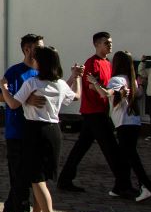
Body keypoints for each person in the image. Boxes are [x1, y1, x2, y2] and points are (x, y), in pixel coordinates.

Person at [0, 46, 82, 212]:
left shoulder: (32, 82)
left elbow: (13, 104)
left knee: (36, 179)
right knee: (42, 178)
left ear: (40, 63)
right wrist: (76, 77)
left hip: (35, 131)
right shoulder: (59, 84)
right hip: (54, 132)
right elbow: (76, 96)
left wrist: (4, 87)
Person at [57, 32, 134, 197]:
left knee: (81, 147)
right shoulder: (92, 63)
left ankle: (64, 179)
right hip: (94, 112)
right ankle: (123, 186)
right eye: (106, 43)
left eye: (110, 42)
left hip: (101, 111)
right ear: (97, 44)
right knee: (111, 149)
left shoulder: (108, 63)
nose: (110, 45)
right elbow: (93, 87)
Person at [90, 51, 151, 202]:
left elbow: (107, 94)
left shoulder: (116, 79)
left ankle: (147, 186)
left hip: (124, 123)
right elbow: (135, 94)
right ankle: (119, 186)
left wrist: (95, 83)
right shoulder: (130, 79)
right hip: (134, 122)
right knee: (125, 156)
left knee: (131, 157)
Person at [0, 34, 42, 212]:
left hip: (35, 131)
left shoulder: (42, 72)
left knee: (24, 177)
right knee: (20, 178)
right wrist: (25, 99)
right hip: (17, 131)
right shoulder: (15, 71)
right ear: (27, 49)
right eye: (38, 47)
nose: (42, 51)